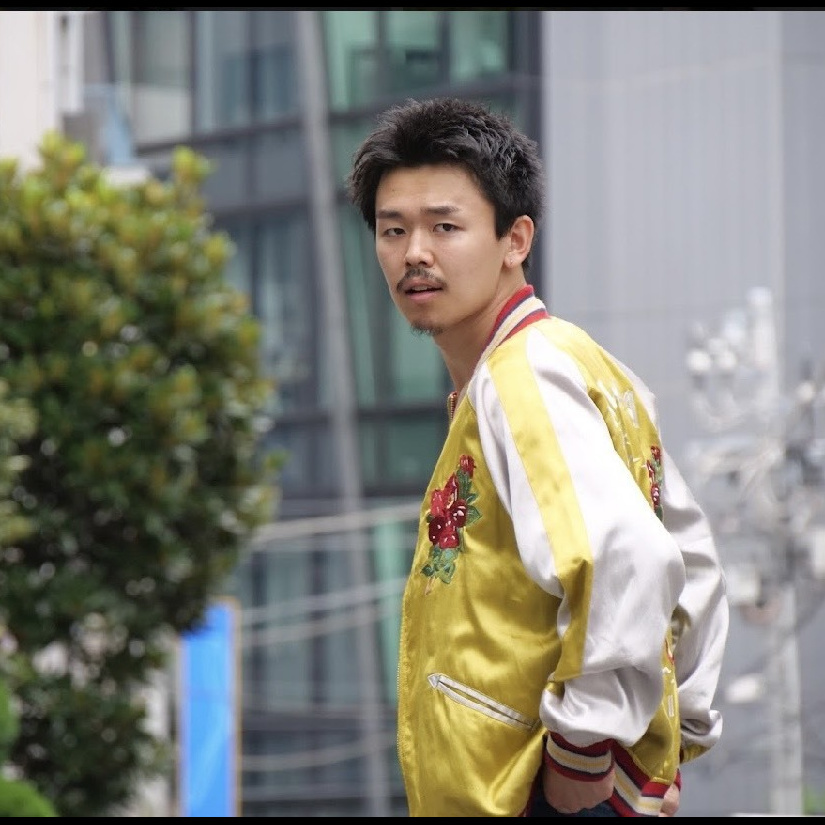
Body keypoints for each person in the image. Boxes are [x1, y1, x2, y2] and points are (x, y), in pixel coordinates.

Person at [346, 97, 729, 818]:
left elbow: (635, 558)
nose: (414, 252)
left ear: (514, 239)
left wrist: (585, 748)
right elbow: (694, 563)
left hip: (544, 788)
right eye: (393, 230)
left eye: (444, 226)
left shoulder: (522, 375)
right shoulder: (578, 363)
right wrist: (672, 739)